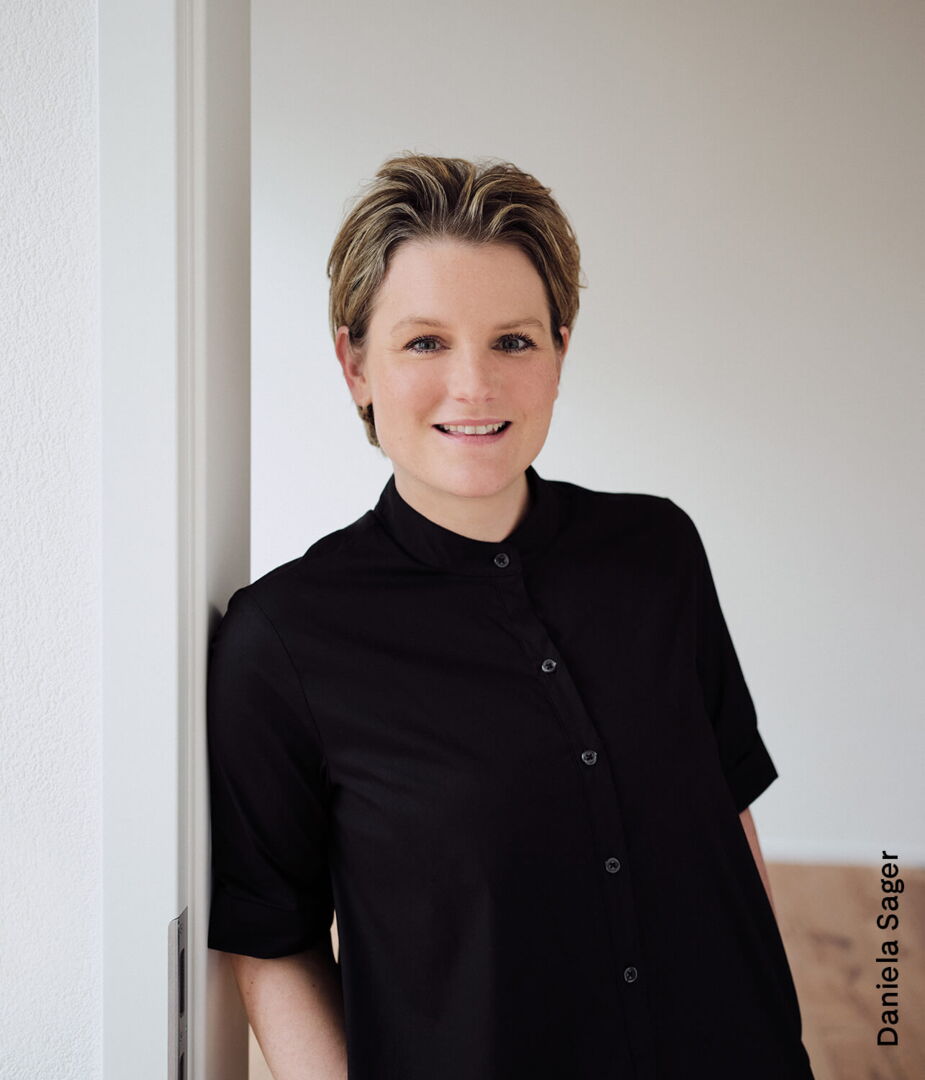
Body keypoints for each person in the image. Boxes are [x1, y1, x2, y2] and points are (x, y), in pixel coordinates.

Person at [206, 152, 816, 1080]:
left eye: (513, 342)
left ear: (560, 353)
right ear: (354, 364)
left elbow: (726, 822)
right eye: (424, 343)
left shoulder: (658, 553)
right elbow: (272, 944)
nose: (474, 385)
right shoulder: (283, 640)